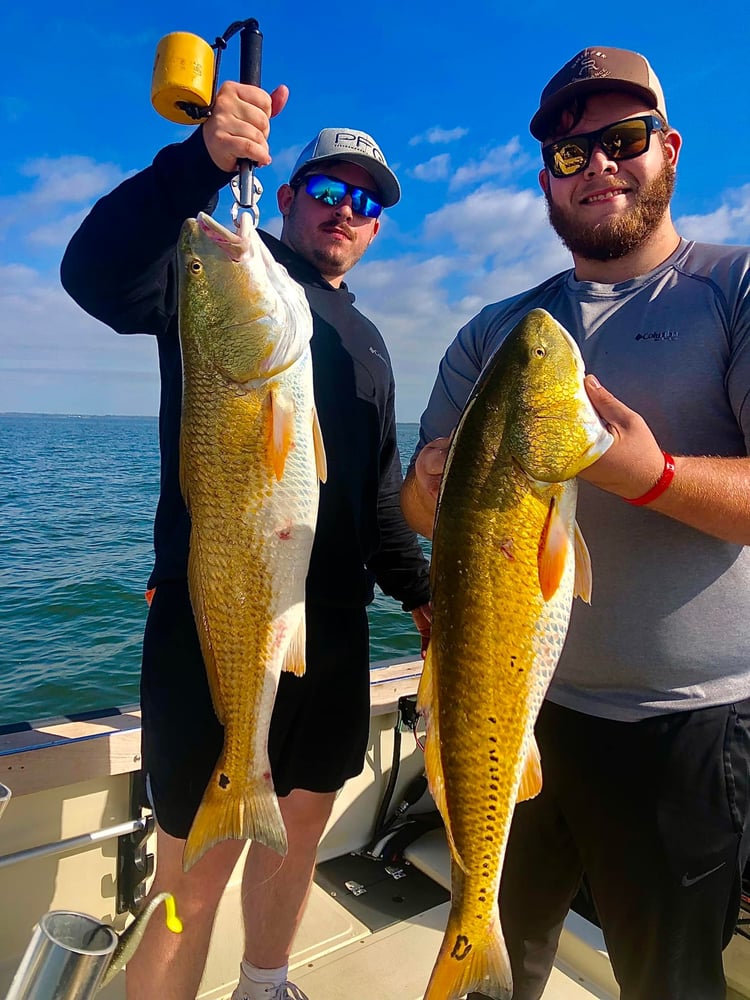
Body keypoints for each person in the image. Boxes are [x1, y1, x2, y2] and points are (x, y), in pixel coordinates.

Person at [61, 79, 431, 1000]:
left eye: (367, 200)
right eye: (328, 190)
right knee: (193, 873)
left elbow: (380, 498)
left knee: (300, 828)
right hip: (212, 614)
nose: (345, 211)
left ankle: (265, 984)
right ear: (292, 195)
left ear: (378, 227)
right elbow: (94, 274)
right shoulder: (220, 273)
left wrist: (424, 595)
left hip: (332, 629)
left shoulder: (373, 345)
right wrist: (200, 163)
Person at [401, 45, 750, 1000]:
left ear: (667, 148)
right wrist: (432, 480)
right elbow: (417, 505)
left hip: (683, 731)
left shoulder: (735, 287)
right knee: (503, 960)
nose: (597, 164)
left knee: (666, 980)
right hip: (511, 712)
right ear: (547, 176)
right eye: (570, 151)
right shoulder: (501, 331)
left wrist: (653, 474)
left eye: (622, 138)